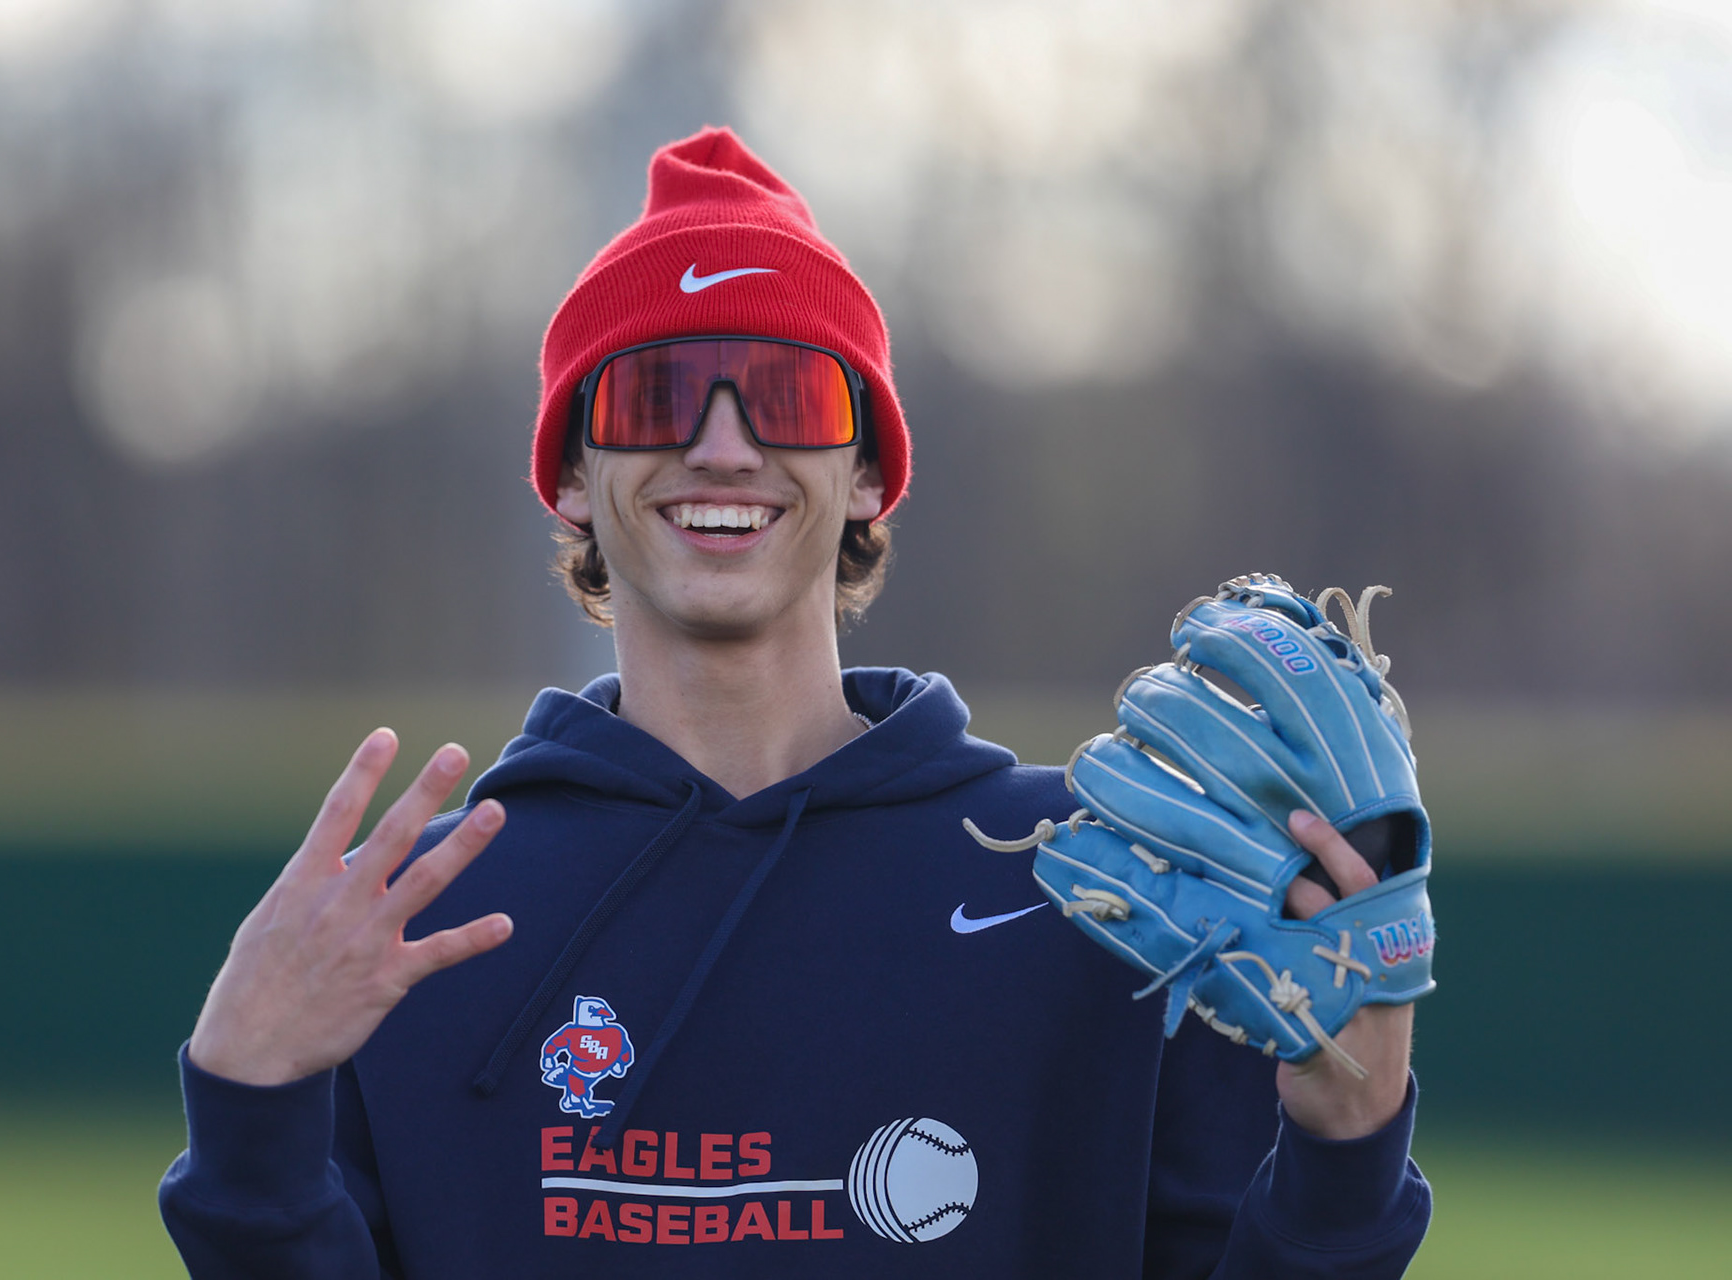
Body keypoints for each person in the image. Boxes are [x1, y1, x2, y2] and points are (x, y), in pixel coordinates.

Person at [159, 127, 1429, 1277]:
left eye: (787, 394)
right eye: (659, 393)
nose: (722, 445)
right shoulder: (413, 921)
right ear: (569, 478)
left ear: (870, 471)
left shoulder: (1103, 887)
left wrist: (1350, 1145)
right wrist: (246, 1104)